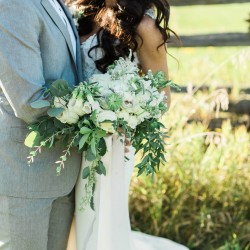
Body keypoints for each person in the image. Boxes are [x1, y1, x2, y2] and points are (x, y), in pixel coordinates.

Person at [67, 0, 189, 249]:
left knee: (99, 223)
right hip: (68, 137)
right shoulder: (80, 13)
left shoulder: (144, 26)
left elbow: (161, 98)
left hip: (111, 145)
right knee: (68, 222)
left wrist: (122, 117)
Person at [0, 0, 83, 249]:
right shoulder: (14, 4)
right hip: (22, 173)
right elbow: (28, 101)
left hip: (63, 171)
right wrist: (96, 117)